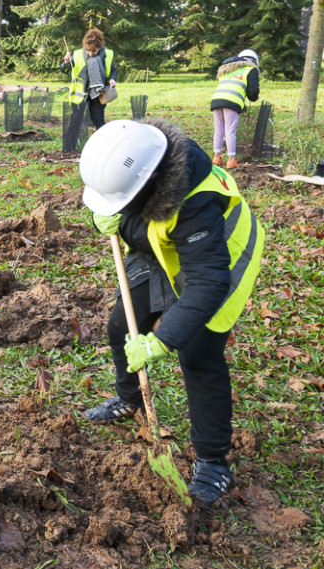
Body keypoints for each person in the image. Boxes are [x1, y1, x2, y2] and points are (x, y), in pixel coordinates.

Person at [79, 118, 264, 504]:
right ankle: (130, 400)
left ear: (149, 186)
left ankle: (213, 461)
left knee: (198, 354)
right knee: (120, 327)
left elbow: (209, 283)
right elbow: (130, 205)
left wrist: (163, 340)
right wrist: (113, 218)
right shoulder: (140, 162)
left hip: (220, 262)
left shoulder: (196, 202)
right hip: (162, 249)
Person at [211, 48, 260, 169]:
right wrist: (252, 97)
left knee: (219, 130)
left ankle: (216, 157)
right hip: (232, 101)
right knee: (230, 130)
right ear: (254, 61)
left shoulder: (229, 69)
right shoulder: (250, 69)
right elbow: (253, 92)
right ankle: (231, 160)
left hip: (216, 99)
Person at [64, 28, 116, 129]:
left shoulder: (107, 55)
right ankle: (71, 144)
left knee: (98, 119)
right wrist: (66, 62)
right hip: (80, 94)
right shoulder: (78, 54)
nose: (91, 54)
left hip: (99, 94)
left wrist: (112, 79)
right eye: (88, 51)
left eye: (94, 51)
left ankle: (102, 143)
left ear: (100, 47)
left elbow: (113, 70)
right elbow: (64, 70)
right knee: (75, 120)